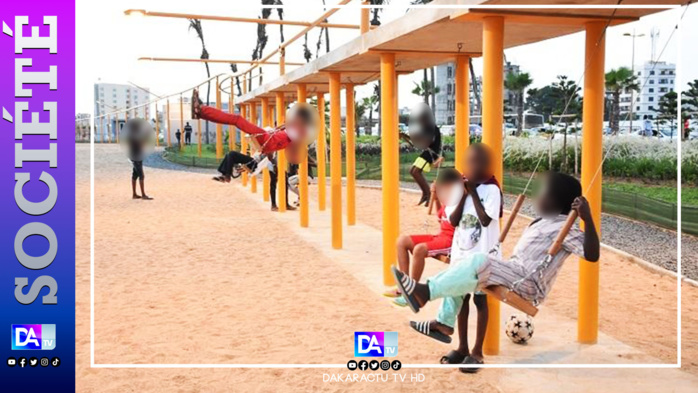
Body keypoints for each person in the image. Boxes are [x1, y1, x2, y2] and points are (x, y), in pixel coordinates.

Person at [391, 172, 600, 372]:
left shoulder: (567, 227)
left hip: (528, 282)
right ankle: (444, 324)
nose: (537, 196)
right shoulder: (543, 221)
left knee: (480, 261)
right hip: (515, 272)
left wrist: (587, 219)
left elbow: (591, 254)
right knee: (461, 270)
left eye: (543, 192)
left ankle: (424, 292)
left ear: (558, 201)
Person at [411, 144, 502, 372]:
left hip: (483, 259)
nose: (475, 167)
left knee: (480, 301)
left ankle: (477, 352)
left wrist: (472, 192)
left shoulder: (492, 190)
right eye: (470, 162)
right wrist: (464, 193)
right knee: (459, 300)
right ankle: (462, 347)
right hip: (462, 255)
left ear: (489, 166)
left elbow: (485, 220)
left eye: (480, 163)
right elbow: (452, 220)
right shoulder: (459, 188)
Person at [386, 168, 461, 305]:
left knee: (419, 249)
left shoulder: (460, 200)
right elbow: (440, 216)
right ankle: (404, 286)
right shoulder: (448, 199)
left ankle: (413, 292)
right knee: (402, 241)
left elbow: (454, 221)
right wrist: (437, 198)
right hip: (440, 236)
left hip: (450, 241)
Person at [191, 89, 316, 164]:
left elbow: (291, 142)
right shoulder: (296, 131)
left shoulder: (298, 132)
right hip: (267, 140)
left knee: (237, 119)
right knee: (235, 120)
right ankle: (202, 113)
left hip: (266, 139)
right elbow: (286, 136)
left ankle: (202, 110)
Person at [406, 103, 442, 206]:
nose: (420, 121)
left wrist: (420, 138)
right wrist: (406, 137)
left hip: (432, 153)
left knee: (416, 171)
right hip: (427, 152)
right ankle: (425, 193)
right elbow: (419, 141)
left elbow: (429, 141)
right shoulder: (426, 128)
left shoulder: (433, 129)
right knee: (412, 171)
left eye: (422, 119)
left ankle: (428, 194)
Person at [124, 118, 154, 200]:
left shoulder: (132, 135)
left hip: (135, 156)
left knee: (135, 175)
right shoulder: (133, 135)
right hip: (136, 157)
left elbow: (142, 141)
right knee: (141, 175)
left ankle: (134, 194)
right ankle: (143, 195)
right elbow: (141, 142)